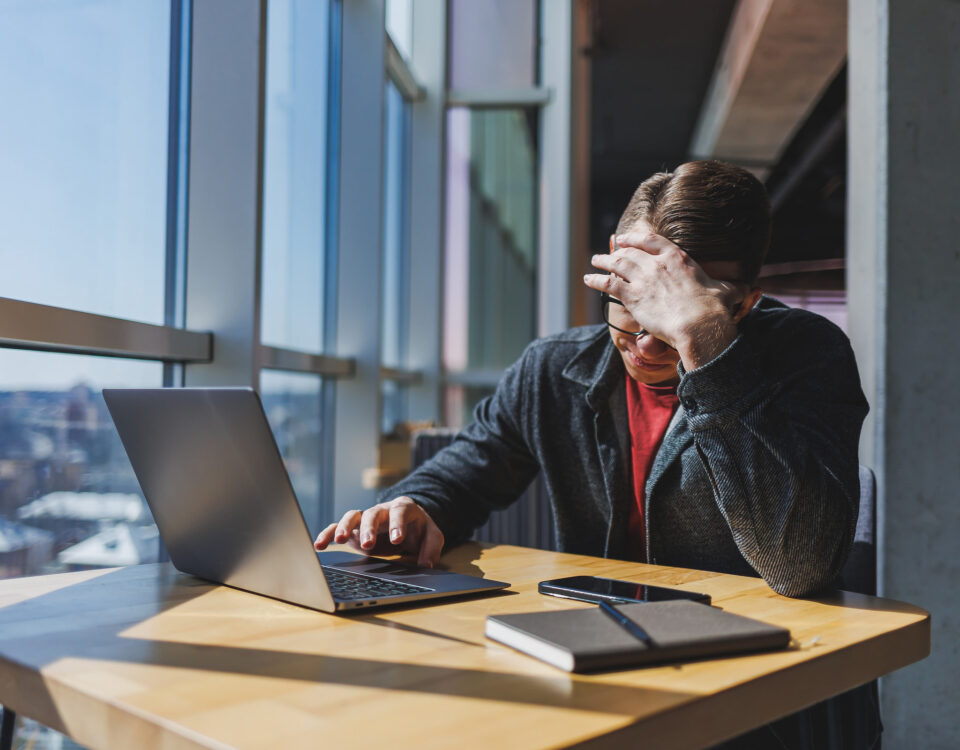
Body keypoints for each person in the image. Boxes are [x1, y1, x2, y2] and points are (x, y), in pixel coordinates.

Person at [315, 160, 876, 747]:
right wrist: (418, 505)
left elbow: (803, 561)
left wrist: (709, 351)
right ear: (612, 265)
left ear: (745, 303)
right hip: (595, 668)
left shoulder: (805, 355)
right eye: (634, 302)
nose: (647, 343)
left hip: (755, 697)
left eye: (676, 309)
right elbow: (474, 464)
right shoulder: (554, 367)